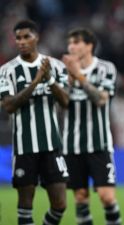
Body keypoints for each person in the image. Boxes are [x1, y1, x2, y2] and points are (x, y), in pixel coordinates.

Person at [0, 19, 69, 225]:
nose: (21, 41)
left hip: (51, 146)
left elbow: (65, 102)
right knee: (25, 206)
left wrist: (48, 80)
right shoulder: (6, 71)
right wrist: (36, 81)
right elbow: (9, 105)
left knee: (60, 205)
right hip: (24, 147)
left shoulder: (55, 66)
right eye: (18, 38)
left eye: (26, 37)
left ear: (36, 37)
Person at [62, 28, 122, 225]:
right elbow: (58, 105)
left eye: (77, 42)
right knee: (80, 197)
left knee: (106, 196)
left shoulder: (106, 68)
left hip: (99, 144)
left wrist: (79, 76)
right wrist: (67, 82)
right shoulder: (63, 72)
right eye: (70, 42)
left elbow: (101, 100)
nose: (72, 46)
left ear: (90, 45)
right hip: (72, 145)